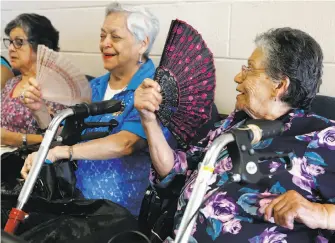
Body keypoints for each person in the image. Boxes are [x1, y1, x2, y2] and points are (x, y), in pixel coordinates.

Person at [135, 27, 335, 242]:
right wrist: (149, 121)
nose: (238, 77)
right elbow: (174, 172)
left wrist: (321, 214)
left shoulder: (319, 137)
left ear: (279, 85)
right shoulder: (234, 123)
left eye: (249, 69)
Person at [22, 3, 176, 217]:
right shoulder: (94, 87)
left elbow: (127, 143)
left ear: (143, 43)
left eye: (115, 37)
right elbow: (66, 136)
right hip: (76, 197)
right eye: (102, 36)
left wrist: (63, 153)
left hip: (117, 210)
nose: (105, 44)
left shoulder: (153, 89)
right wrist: (40, 111)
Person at [1, 14, 65, 148]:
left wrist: (14, 139)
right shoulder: (11, 83)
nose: (11, 48)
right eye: (10, 42)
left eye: (19, 42)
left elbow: (60, 138)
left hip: (31, 163)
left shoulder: (58, 88)